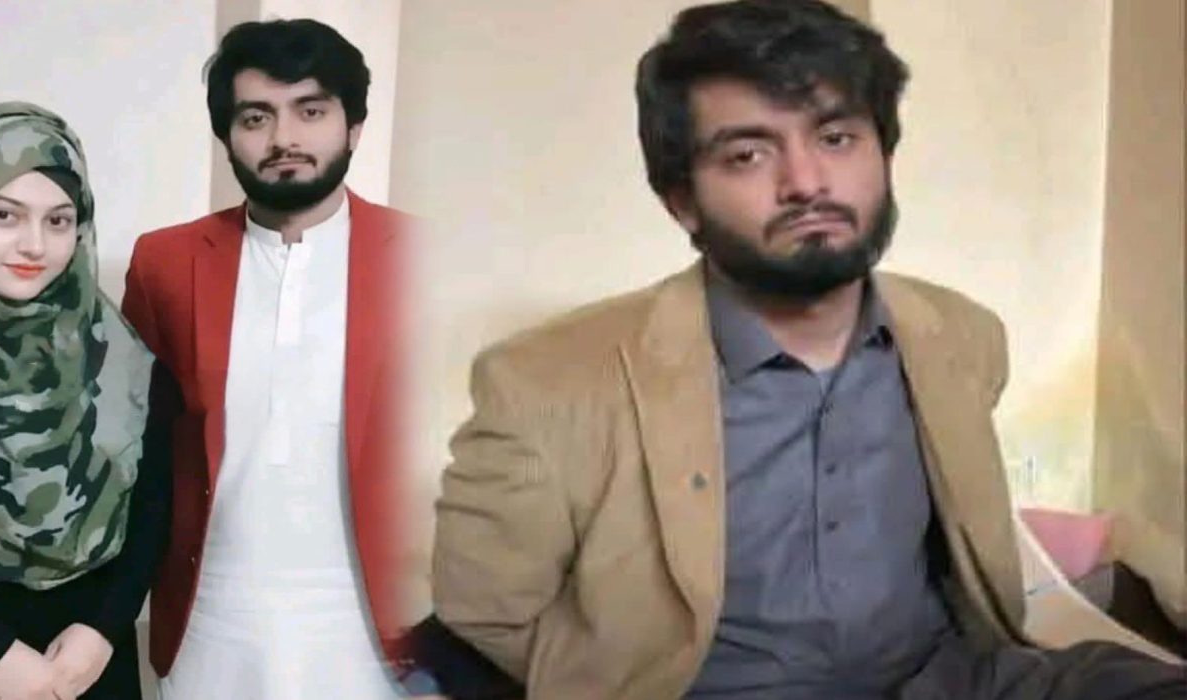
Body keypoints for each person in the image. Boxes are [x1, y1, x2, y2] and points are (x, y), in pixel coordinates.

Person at [431, 1, 1187, 698]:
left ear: (883, 154)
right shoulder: (545, 383)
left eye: (835, 138)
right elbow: (488, 612)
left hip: (949, 680)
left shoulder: (962, 336)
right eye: (748, 155)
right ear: (682, 201)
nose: (806, 182)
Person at [123, 18, 415, 699]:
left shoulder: (423, 256)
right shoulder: (165, 262)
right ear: (227, 136)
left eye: (311, 111)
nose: (284, 138)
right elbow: (137, 449)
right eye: (256, 117)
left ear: (354, 127)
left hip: (372, 628)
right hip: (212, 617)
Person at [0, 102, 175, 699]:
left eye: (59, 220)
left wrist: (103, 630)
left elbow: (150, 505)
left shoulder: (113, 350)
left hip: (81, 666)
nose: (35, 245)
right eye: (4, 214)